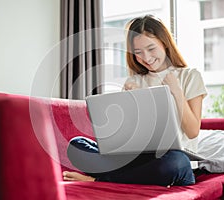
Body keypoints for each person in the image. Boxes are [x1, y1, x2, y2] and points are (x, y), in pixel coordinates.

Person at [63, 15, 207, 186]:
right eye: (138, 52)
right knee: (77, 145)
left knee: (173, 162)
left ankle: (99, 179)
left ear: (165, 43)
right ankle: (126, 175)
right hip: (138, 159)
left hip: (175, 161)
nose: (146, 57)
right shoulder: (134, 82)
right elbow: (126, 135)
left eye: (151, 48)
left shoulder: (189, 76)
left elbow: (192, 131)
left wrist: (176, 91)